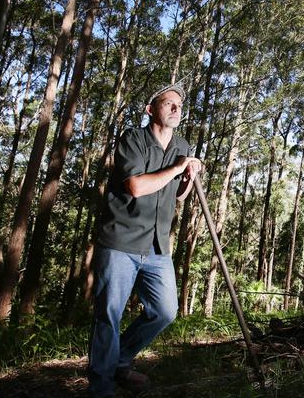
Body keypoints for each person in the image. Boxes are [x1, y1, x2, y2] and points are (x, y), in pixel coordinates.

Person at [88, 83, 201, 398]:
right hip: (120, 242)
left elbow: (175, 196)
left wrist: (188, 178)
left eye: (179, 104)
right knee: (109, 315)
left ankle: (121, 361)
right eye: (169, 103)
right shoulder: (133, 139)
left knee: (165, 311)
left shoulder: (182, 144)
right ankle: (101, 387)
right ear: (151, 109)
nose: (176, 109)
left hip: (157, 246)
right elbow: (136, 187)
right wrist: (179, 166)